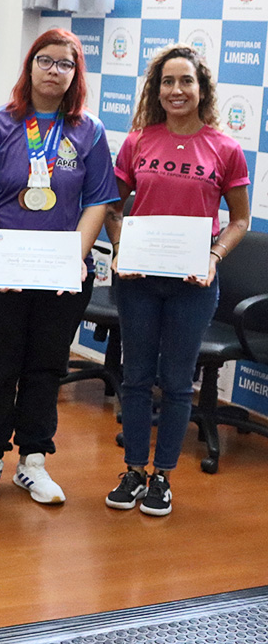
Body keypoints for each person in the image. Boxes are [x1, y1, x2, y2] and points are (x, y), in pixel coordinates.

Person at [0, 28, 116, 505]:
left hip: (60, 275)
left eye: (65, 64)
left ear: (76, 74)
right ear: (30, 67)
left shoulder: (90, 131)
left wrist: (72, 260)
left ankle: (33, 461)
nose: (54, 71)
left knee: (47, 366)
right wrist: (1, 261)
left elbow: (99, 202)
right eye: (45, 61)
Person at [104, 44, 249, 517]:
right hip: (139, 280)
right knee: (137, 377)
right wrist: (122, 246)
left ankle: (162, 477)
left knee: (178, 382)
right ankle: (133, 471)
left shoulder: (224, 148)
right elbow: (112, 205)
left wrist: (213, 256)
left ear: (201, 88)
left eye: (185, 81)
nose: (176, 90)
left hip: (193, 282)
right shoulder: (139, 141)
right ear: (156, 89)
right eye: (167, 82)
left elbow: (240, 220)